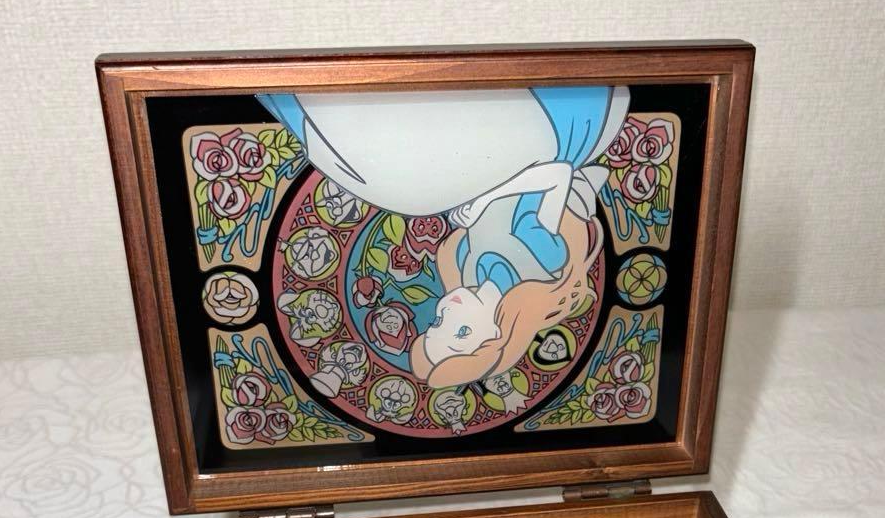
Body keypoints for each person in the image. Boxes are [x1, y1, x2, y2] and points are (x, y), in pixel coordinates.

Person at [258, 85, 629, 388]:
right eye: (460, 331)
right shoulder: (540, 261)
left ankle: (293, 96)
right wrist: (486, 199)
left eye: (435, 324)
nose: (445, 311)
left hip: (497, 145)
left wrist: (473, 204)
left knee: (398, 188)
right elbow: (559, 174)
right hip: (552, 131)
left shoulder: (467, 266)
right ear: (495, 335)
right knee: (406, 191)